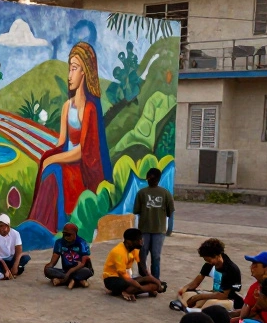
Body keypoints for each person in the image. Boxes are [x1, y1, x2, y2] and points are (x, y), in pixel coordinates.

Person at [28, 42, 113, 233]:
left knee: (54, 169)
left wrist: (53, 159)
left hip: (81, 168)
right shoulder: (67, 106)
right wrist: (48, 156)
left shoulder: (89, 108)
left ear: (84, 72)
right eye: (69, 69)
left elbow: (84, 152)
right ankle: (41, 225)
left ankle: (55, 226)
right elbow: (61, 143)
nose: (69, 75)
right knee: (51, 167)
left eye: (74, 68)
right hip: (67, 161)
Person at [174, 238, 242, 310]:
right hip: (215, 293)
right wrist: (185, 288)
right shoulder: (210, 264)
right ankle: (191, 308)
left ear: (217, 255)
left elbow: (224, 295)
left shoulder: (231, 269)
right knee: (187, 295)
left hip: (229, 298)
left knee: (209, 304)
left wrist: (199, 297)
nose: (208, 262)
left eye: (209, 260)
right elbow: (196, 282)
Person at [133, 168, 174, 280]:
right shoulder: (142, 193)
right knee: (144, 255)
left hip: (158, 231)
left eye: (152, 178)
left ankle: (154, 279)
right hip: (145, 230)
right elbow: (136, 210)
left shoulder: (165, 194)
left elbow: (171, 212)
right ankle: (144, 277)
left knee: (154, 256)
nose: (151, 180)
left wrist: (169, 228)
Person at [102, 228, 162, 302]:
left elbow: (142, 270)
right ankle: (125, 291)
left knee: (150, 282)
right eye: (138, 240)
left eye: (141, 239)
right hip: (112, 279)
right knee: (135, 285)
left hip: (126, 278)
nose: (141, 242)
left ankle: (125, 291)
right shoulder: (118, 252)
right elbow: (123, 276)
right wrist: (142, 288)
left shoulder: (135, 250)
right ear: (129, 242)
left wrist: (156, 281)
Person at [44, 223, 93, 289]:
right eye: (64, 234)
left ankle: (63, 280)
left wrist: (69, 272)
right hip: (65, 270)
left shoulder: (82, 243)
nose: (66, 236)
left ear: (74, 234)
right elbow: (53, 262)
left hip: (79, 269)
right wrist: (47, 268)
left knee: (87, 271)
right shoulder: (59, 243)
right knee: (48, 270)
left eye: (68, 234)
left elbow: (83, 263)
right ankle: (75, 280)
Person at [0, 214, 29, 281]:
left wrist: (15, 265)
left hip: (11, 260)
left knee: (25, 258)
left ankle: (11, 270)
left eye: (4, 226)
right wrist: (4, 266)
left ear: (8, 226)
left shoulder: (16, 234)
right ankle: (0, 273)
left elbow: (19, 251)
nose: (2, 229)